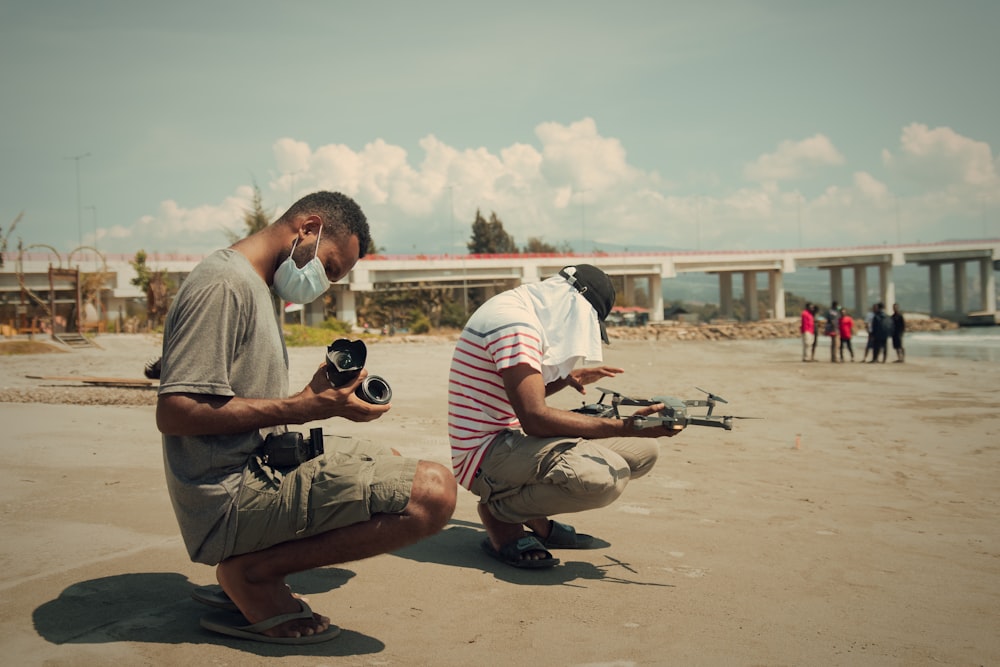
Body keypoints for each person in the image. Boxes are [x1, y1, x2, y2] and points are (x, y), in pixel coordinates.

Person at [156, 191, 457, 644]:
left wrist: (327, 404)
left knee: (390, 463)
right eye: (330, 267)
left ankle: (254, 566)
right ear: (309, 229)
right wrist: (302, 408)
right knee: (430, 494)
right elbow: (175, 411)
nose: (325, 282)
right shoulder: (224, 284)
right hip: (228, 497)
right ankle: (251, 574)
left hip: (260, 465)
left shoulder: (257, 285)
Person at [447, 264, 684, 569]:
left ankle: (526, 509)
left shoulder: (521, 308)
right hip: (483, 456)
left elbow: (515, 397)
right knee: (603, 478)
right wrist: (625, 426)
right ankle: (502, 514)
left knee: (643, 452)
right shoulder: (515, 325)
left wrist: (567, 378)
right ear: (573, 305)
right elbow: (534, 417)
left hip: (511, 440)